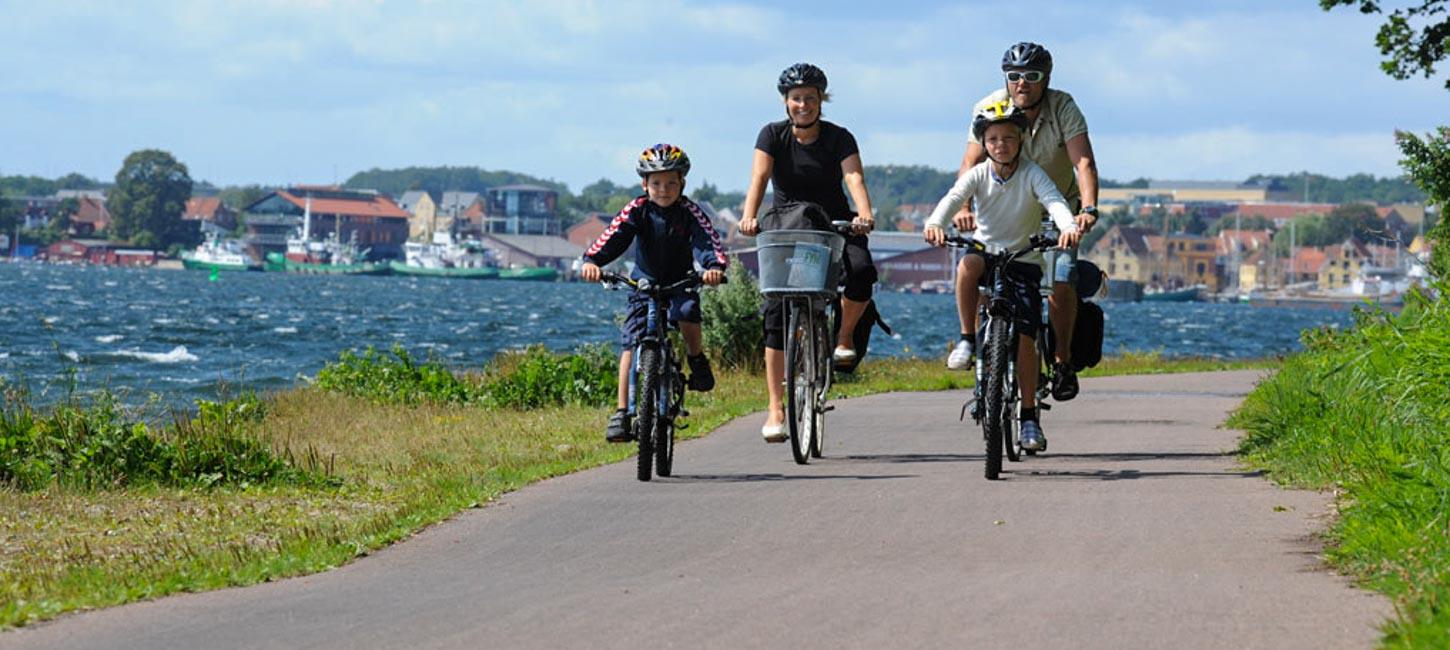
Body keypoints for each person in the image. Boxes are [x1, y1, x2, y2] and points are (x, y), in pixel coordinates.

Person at [923, 100, 1081, 451]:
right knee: (968, 265)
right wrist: (935, 223)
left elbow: (1054, 200)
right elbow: (953, 198)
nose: (1001, 145)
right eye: (993, 139)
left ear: (1021, 140)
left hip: (1023, 258)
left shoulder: (1032, 173)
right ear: (985, 142)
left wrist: (1067, 226)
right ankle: (966, 339)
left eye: (1009, 138)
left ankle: (1027, 418)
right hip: (987, 252)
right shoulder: (978, 174)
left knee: (1026, 335)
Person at [946, 42, 1100, 403]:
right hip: (1005, 210)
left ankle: (1062, 361)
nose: (1022, 84)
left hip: (1056, 211)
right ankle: (982, 342)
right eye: (1014, 76)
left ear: (1045, 79)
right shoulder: (989, 106)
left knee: (1061, 279)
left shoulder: (1063, 107)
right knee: (984, 273)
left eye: (1032, 77)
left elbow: (1083, 164)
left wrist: (1087, 210)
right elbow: (970, 163)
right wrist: (962, 207)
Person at [738, 62, 878, 443]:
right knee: (775, 312)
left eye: (811, 99)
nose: (803, 105)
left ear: (821, 101)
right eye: (796, 98)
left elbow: (854, 177)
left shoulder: (839, 138)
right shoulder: (772, 135)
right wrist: (749, 217)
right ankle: (775, 408)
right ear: (786, 102)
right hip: (787, 225)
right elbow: (759, 178)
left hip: (833, 223)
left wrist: (864, 212)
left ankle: (844, 338)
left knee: (862, 270)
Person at [580, 143, 727, 443]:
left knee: (687, 312)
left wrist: (714, 267)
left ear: (682, 184)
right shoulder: (637, 210)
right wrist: (592, 261)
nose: (664, 189)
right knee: (630, 342)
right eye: (656, 183)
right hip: (643, 284)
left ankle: (696, 359)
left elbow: (707, 242)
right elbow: (613, 237)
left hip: (680, 282)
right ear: (644, 184)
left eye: (671, 183)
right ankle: (622, 412)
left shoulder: (690, 213)